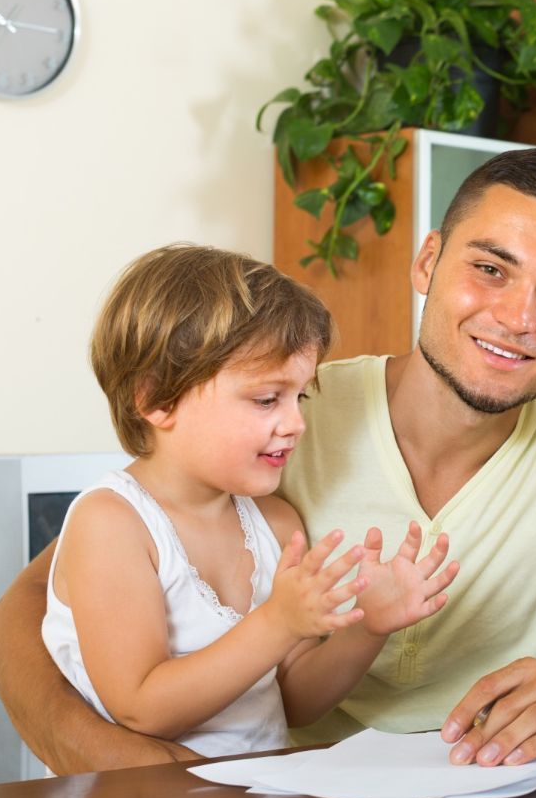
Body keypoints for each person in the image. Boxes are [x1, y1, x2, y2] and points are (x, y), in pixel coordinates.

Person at [0, 149, 536, 773]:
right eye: (490, 268)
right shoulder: (283, 417)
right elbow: (28, 610)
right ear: (426, 262)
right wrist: (115, 761)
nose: (517, 319)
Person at [42, 244, 459, 757]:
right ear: (157, 399)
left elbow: (297, 703)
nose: (296, 422)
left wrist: (369, 628)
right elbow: (141, 707)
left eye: (299, 396)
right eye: (267, 399)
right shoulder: (111, 525)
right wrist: (278, 623)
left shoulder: (278, 524)